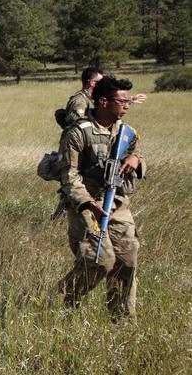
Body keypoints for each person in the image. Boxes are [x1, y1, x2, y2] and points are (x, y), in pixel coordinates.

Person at [56, 75, 146, 321]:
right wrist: (88, 204)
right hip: (86, 206)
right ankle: (61, 300)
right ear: (104, 102)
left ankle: (122, 320)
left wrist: (136, 161)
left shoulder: (127, 132)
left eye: (129, 100)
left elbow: (137, 153)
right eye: (122, 101)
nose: (127, 105)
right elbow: (69, 175)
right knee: (100, 260)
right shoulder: (78, 133)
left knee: (127, 262)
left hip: (118, 204)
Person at [59, 67, 147, 128]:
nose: (105, 83)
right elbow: (77, 127)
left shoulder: (90, 98)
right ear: (92, 83)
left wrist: (130, 99)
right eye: (101, 81)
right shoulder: (79, 101)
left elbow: (110, 102)